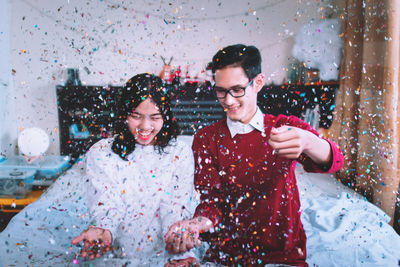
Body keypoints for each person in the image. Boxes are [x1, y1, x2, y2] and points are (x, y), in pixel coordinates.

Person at [165, 44, 344, 266]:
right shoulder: (205, 139)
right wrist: (196, 224)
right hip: (225, 257)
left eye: (237, 89)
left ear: (258, 82)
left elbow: (335, 162)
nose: (228, 101)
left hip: (281, 257)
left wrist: (309, 142)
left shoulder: (283, 127)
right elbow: (211, 202)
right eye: (221, 90)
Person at [70, 73, 199, 266]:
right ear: (123, 114)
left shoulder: (180, 152)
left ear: (166, 116)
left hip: (166, 249)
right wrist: (104, 231)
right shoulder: (100, 152)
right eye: (135, 116)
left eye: (155, 117)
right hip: (115, 249)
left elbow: (174, 206)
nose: (145, 126)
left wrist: (176, 243)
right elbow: (106, 204)